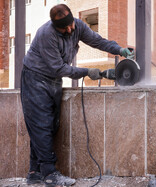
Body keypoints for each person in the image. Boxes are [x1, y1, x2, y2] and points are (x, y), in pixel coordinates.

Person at [20, 4, 133, 186]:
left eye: (70, 24)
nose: (70, 29)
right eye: (64, 28)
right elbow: (59, 67)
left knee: (49, 125)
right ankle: (49, 174)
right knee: (40, 123)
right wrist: (88, 71)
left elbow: (98, 41)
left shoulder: (78, 26)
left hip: (53, 80)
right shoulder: (46, 35)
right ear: (55, 26)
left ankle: (34, 172)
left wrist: (119, 50)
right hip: (35, 78)